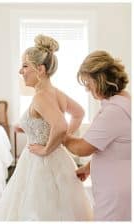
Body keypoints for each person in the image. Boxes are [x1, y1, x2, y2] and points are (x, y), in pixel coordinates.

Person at [0, 34, 92, 221]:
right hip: (60, 158)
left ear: (41, 69)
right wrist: (41, 133)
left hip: (40, 162)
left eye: (25, 65)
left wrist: (46, 148)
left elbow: (59, 125)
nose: (21, 71)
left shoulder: (41, 96)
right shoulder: (56, 93)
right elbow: (78, 113)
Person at [62, 50, 131, 221]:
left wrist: (63, 136)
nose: (87, 88)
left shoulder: (114, 111)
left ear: (100, 79)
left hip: (115, 190)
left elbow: (82, 148)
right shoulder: (124, 101)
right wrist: (89, 168)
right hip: (120, 183)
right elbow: (115, 149)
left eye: (88, 82)